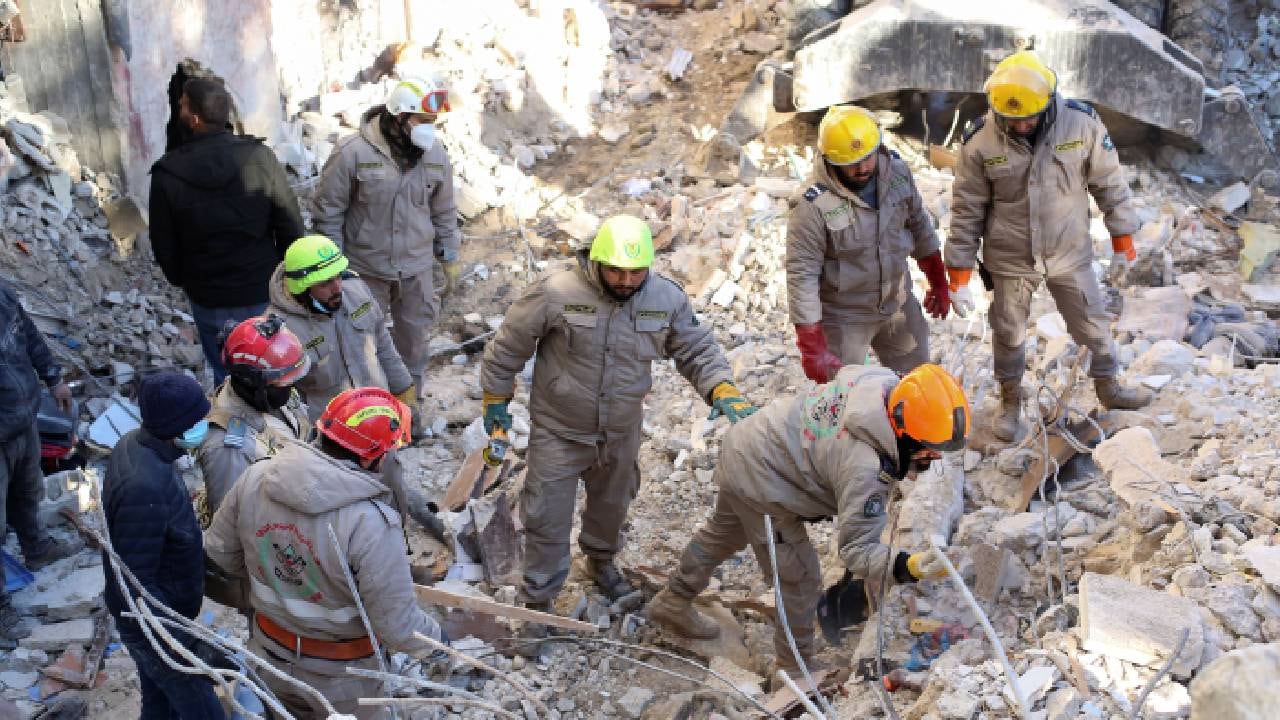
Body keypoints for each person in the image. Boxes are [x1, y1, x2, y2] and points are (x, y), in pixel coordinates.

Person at [480, 214, 754, 612]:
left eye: (636, 273)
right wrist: (495, 401)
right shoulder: (555, 293)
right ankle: (537, 605)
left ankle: (600, 563)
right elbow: (507, 348)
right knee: (546, 519)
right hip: (559, 432)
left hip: (621, 431)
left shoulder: (666, 300)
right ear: (596, 261)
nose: (626, 281)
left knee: (612, 509)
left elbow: (695, 349)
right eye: (616, 272)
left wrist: (721, 388)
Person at [646, 364, 967, 685]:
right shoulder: (865, 469)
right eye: (929, 448)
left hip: (751, 442)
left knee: (721, 535)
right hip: (764, 482)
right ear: (902, 429)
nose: (934, 457)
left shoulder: (880, 383)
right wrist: (906, 565)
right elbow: (857, 550)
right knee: (799, 578)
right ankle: (792, 671)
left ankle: (673, 599)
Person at [945, 50, 1152, 441]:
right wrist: (958, 274)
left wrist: (1122, 236)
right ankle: (1010, 404)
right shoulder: (979, 142)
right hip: (1010, 259)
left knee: (1093, 323)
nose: (1021, 125)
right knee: (1008, 332)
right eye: (1011, 118)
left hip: (1068, 253)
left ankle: (1109, 387)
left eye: (1029, 117)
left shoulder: (1082, 125)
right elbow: (966, 209)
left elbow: (1109, 183)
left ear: (1048, 102)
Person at [205, 387, 446, 719]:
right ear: (369, 457)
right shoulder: (371, 523)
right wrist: (438, 643)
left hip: (268, 656)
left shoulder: (256, 477)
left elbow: (221, 556)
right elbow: (398, 627)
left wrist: (282, 586)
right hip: (342, 678)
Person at [311, 76, 462, 431]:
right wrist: (335, 272)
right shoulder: (353, 154)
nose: (428, 130)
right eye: (421, 121)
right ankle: (370, 418)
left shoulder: (435, 154)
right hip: (366, 270)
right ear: (398, 118)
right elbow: (328, 214)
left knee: (413, 343)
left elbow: (444, 209)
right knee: (364, 345)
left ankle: (410, 413)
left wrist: (449, 256)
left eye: (432, 123)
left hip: (416, 268)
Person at [149, 77, 306, 384]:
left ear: (193, 119)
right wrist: (285, 279)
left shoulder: (168, 174)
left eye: (181, 105)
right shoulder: (259, 157)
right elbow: (290, 224)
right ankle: (283, 429)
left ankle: (239, 431)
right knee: (277, 370)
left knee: (229, 377)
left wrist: (189, 281)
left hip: (210, 297)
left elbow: (164, 247)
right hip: (263, 288)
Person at [787, 105, 950, 382]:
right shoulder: (812, 204)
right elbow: (802, 274)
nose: (862, 168)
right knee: (842, 397)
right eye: (851, 163)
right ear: (830, 160)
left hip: (897, 303)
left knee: (917, 384)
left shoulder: (897, 173)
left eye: (867, 158)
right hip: (844, 316)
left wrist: (939, 281)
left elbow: (919, 226)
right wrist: (811, 345)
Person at [101, 371, 223, 718]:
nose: (204, 425)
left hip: (159, 615)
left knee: (159, 706)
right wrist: (184, 644)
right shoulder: (143, 487)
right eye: (198, 420)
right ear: (177, 429)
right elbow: (135, 587)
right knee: (203, 709)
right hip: (152, 625)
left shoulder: (138, 445)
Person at [0, 281, 81, 645]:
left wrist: (53, 377)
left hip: (21, 420)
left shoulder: (2, 293)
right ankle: (1, 611)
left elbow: (29, 334)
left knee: (27, 491)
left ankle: (37, 548)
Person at [266, 235, 416, 424]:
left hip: (379, 415)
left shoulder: (356, 291)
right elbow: (281, 402)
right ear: (301, 289)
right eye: (325, 283)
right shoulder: (279, 333)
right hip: (328, 436)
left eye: (337, 276)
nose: (337, 288)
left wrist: (403, 388)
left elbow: (383, 343)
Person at [194, 314, 310, 520]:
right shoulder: (228, 449)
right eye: (282, 383)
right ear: (252, 382)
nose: (290, 387)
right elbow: (233, 523)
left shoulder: (274, 393)